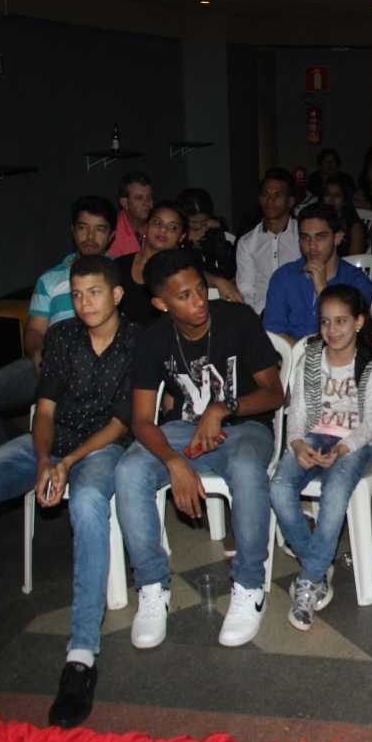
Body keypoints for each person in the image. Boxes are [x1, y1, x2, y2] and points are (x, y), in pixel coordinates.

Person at [0, 256, 137, 729]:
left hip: (101, 448)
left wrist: (68, 463)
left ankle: (82, 655)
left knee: (89, 503)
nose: (83, 303)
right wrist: (43, 461)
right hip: (51, 443)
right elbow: (46, 411)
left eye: (94, 292)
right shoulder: (62, 337)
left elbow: (121, 423)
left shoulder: (137, 341)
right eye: (76, 294)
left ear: (117, 295)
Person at [115, 249, 284, 649]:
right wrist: (174, 462)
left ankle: (249, 586)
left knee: (246, 469)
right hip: (182, 432)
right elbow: (142, 420)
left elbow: (276, 393)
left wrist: (223, 408)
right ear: (161, 303)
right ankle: (152, 587)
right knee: (129, 470)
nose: (199, 302)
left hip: (245, 428)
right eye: (184, 296)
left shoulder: (238, 319)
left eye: (200, 289)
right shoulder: (154, 338)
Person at [271, 285, 372, 632]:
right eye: (325, 321)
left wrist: (343, 448)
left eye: (341, 321)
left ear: (359, 322)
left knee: (336, 492)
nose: (332, 329)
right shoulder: (310, 358)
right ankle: (318, 562)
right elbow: (297, 410)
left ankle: (309, 581)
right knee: (278, 488)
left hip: (356, 443)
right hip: (314, 434)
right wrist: (297, 443)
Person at [0, 196, 117, 454]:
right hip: (51, 362)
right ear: (73, 231)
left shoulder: (119, 274)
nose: (90, 237)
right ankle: (11, 463)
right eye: (83, 228)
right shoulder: (51, 279)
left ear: (111, 236)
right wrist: (37, 352)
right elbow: (34, 330)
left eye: (99, 229)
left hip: (103, 368)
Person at [263, 203, 372, 345]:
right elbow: (273, 331)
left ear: (337, 238)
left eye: (320, 237)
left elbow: (350, 338)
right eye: (305, 238)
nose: (312, 246)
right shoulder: (283, 276)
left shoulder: (357, 282)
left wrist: (323, 290)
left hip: (338, 356)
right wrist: (304, 355)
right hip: (289, 356)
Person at [236, 168, 301, 314]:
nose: (270, 200)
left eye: (277, 195)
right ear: (259, 199)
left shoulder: (302, 235)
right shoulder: (247, 242)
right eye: (265, 195)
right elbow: (246, 290)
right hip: (261, 315)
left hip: (298, 313)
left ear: (290, 201)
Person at [115, 202, 187, 325]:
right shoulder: (119, 265)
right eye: (157, 223)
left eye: (173, 227)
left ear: (182, 236)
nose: (163, 230)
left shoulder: (182, 274)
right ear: (146, 227)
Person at [176, 188, 240, 301]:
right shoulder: (177, 239)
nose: (199, 226)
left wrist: (219, 227)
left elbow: (229, 266)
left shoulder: (215, 233)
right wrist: (186, 240)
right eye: (193, 222)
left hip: (222, 291)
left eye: (204, 221)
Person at [109, 172, 153, 258]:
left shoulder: (158, 227)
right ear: (124, 203)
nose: (147, 203)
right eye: (139, 198)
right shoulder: (112, 232)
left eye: (149, 197)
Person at [322, 175, 369, 255]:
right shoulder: (317, 219)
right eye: (327, 194)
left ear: (344, 200)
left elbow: (353, 259)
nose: (331, 199)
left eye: (337, 195)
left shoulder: (355, 226)